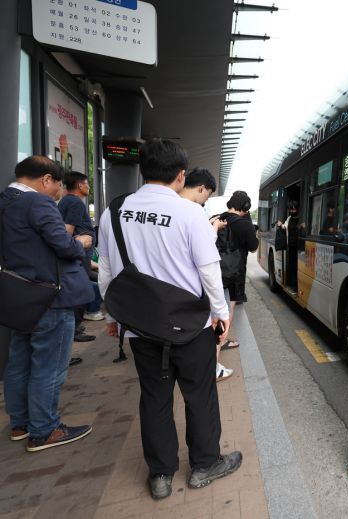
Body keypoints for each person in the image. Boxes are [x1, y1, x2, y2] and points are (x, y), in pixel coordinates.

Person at [98, 139, 241, 500]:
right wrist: (221, 316)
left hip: (141, 328)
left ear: (143, 170)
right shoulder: (191, 214)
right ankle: (205, 465)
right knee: (199, 395)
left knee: (154, 398)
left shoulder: (113, 212)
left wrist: (114, 315)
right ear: (181, 176)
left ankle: (160, 476)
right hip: (191, 326)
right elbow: (209, 272)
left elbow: (108, 274)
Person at [1, 156, 94, 451]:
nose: (58, 192)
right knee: (49, 366)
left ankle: (20, 424)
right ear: (46, 180)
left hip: (19, 296)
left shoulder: (4, 201)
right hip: (50, 296)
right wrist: (81, 243)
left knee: (19, 361)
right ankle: (44, 430)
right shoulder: (37, 204)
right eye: (56, 185)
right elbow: (64, 247)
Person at [179, 168, 235, 381]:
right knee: (197, 385)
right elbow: (208, 267)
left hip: (147, 313)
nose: (205, 200)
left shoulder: (121, 209)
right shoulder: (194, 214)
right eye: (208, 194)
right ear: (201, 188)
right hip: (188, 308)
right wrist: (220, 311)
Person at [57, 171, 101, 358]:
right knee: (79, 294)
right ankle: (72, 333)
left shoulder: (66, 201)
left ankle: (73, 331)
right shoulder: (74, 202)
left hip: (79, 255)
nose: (88, 187)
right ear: (80, 185)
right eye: (86, 183)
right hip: (78, 254)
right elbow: (67, 231)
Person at [215, 190, 259, 374]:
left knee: (217, 310)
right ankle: (214, 366)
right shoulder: (244, 224)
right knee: (225, 311)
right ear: (246, 207)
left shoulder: (216, 218)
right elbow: (254, 247)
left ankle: (221, 341)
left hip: (215, 272)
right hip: (234, 274)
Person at [277, 201, 299, 292]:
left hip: (299, 247)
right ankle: (293, 284)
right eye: (291, 209)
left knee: (297, 266)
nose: (292, 211)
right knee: (292, 265)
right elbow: (285, 227)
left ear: (297, 209)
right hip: (290, 246)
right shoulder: (289, 218)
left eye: (294, 209)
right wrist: (280, 224)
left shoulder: (301, 218)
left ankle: (297, 284)